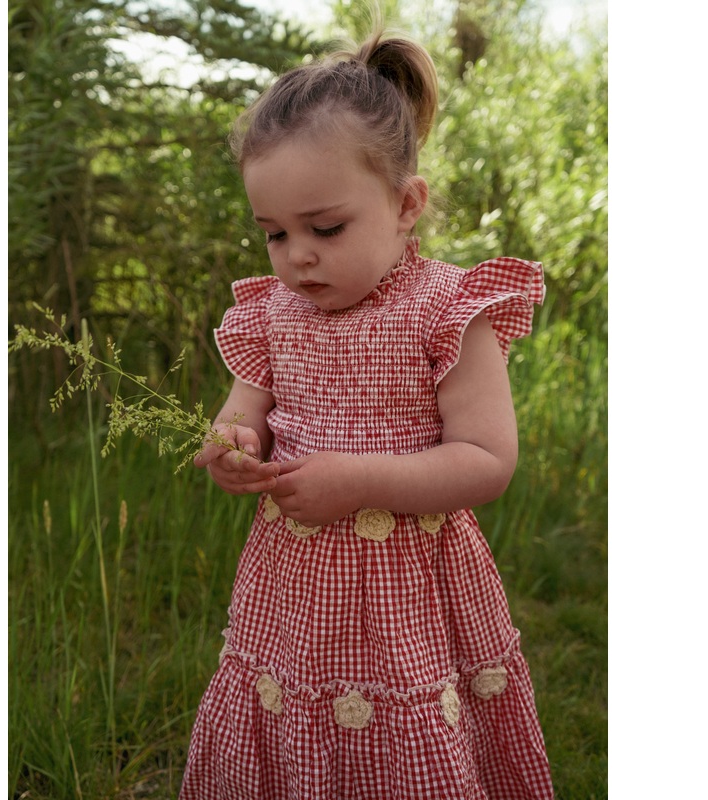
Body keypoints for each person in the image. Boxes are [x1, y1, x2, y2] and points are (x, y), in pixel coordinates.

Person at [183, 26, 555, 800]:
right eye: (274, 234)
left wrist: (357, 481)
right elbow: (239, 414)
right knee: (295, 714)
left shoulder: (448, 311)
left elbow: (488, 459)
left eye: (325, 228)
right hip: (295, 588)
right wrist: (232, 449)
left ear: (406, 203)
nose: (296, 257)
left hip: (409, 591)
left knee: (406, 737)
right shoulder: (272, 314)